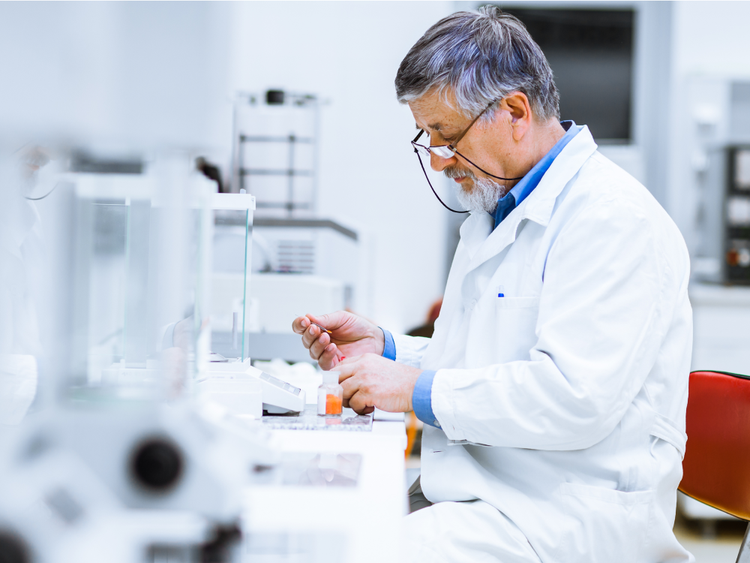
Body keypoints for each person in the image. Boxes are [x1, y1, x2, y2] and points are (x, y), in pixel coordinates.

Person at [293, 7, 692, 563]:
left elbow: (573, 399)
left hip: (561, 520)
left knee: (345, 550)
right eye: (426, 137)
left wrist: (413, 388)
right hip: (486, 497)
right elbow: (483, 360)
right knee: (316, 522)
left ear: (514, 110)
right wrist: (386, 349)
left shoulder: (613, 220)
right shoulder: (493, 215)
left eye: (447, 135)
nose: (438, 161)